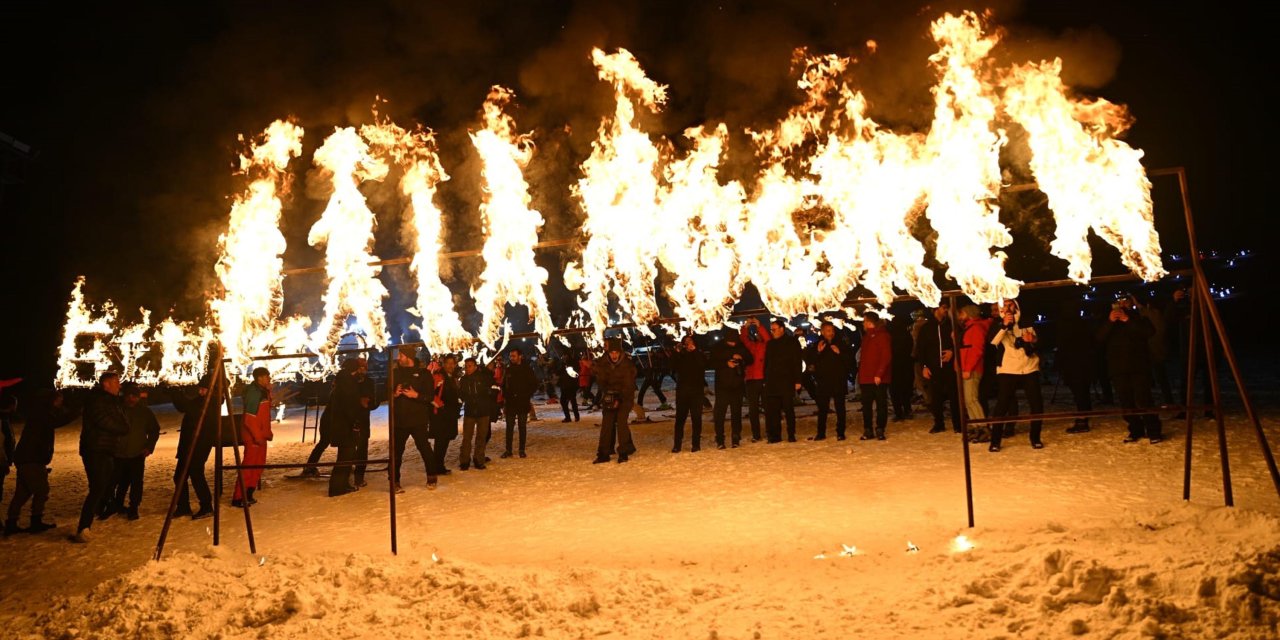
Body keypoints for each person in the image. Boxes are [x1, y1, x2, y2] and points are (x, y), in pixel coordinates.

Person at [5, 389, 78, 535]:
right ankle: (35, 521)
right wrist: (75, 413)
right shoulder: (43, 414)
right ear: (52, 400)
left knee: (23, 492)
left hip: (27, 457)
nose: (61, 403)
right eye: (59, 400)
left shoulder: (41, 411)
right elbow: (55, 422)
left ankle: (12, 523)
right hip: (31, 458)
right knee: (41, 490)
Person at [73, 371, 130, 543]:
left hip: (106, 449)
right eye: (116, 382)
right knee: (97, 487)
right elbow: (105, 421)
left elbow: (123, 422)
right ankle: (84, 527)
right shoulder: (97, 400)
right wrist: (122, 427)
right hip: (95, 449)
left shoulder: (112, 401)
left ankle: (103, 509)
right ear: (106, 384)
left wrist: (123, 425)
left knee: (104, 485)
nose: (119, 385)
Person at [1099, 294, 1163, 444]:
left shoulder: (1139, 318)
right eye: (1118, 302)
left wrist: (1127, 320)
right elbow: (1099, 338)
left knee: (1144, 400)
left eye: (1125, 301)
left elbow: (1149, 332)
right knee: (1126, 402)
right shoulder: (1108, 322)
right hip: (1118, 368)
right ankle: (1135, 430)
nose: (1121, 305)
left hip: (1139, 366)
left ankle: (1153, 431)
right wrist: (1109, 322)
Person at [989, 300, 1045, 452]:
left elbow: (1040, 343)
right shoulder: (997, 324)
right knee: (1002, 405)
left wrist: (1032, 340)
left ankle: (1035, 438)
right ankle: (995, 440)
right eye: (1005, 305)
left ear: (1016, 306)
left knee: (1036, 404)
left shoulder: (1027, 322)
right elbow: (993, 342)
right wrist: (1004, 325)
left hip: (1029, 367)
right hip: (1008, 369)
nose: (1008, 308)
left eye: (1011, 304)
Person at [107, 383, 160, 521]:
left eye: (134, 396)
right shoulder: (117, 410)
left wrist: (149, 447)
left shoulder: (144, 412)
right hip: (117, 454)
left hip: (137, 454)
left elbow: (154, 430)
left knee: (136, 482)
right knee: (115, 481)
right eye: (129, 395)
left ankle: (133, 507)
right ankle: (114, 504)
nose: (131, 399)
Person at [169, 378, 218, 519]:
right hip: (189, 443)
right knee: (179, 476)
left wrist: (175, 392)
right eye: (200, 388)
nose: (200, 391)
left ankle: (206, 506)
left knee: (196, 473)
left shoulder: (210, 402)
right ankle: (183, 506)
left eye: (204, 389)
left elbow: (184, 406)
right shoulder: (203, 400)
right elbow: (186, 405)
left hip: (199, 444)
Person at [391, 347, 437, 491]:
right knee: (396, 452)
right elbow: (383, 395)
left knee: (424, 448)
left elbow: (430, 397)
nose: (398, 357)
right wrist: (394, 393)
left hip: (418, 420)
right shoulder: (395, 373)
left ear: (409, 357)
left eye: (401, 355)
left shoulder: (424, 374)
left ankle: (431, 476)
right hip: (399, 420)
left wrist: (415, 395)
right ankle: (394, 481)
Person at [917, 300, 961, 434]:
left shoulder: (951, 325)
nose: (946, 310)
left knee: (954, 396)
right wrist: (924, 366)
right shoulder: (926, 328)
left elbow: (961, 342)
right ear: (936, 309)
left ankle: (958, 424)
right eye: (943, 308)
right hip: (933, 367)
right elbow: (921, 349)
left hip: (950, 367)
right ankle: (939, 423)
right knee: (935, 397)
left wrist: (952, 351)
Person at [805, 321, 852, 441]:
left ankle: (840, 432)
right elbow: (810, 362)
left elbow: (849, 361)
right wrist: (818, 352)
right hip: (823, 381)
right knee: (822, 409)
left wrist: (839, 353)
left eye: (832, 330)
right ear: (822, 332)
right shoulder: (817, 345)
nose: (830, 333)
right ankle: (821, 432)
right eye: (828, 331)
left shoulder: (841, 344)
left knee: (840, 408)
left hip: (838, 380)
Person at [593, 338, 638, 463]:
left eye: (616, 353)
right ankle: (603, 453)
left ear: (620, 352)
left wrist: (619, 397)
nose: (614, 355)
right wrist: (608, 394)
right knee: (607, 425)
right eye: (611, 353)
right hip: (609, 397)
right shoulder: (603, 363)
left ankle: (623, 452)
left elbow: (628, 385)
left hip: (625, 398)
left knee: (621, 423)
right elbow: (601, 381)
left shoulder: (627, 365)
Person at [234, 367, 273, 505]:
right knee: (249, 465)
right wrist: (257, 436)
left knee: (258, 465)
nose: (269, 378)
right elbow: (249, 419)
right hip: (254, 436)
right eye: (267, 376)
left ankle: (248, 493)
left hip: (260, 435)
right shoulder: (254, 393)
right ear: (259, 378)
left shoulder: (262, 391)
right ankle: (239, 496)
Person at [326, 360, 365, 496]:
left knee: (346, 456)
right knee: (345, 457)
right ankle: (337, 487)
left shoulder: (343, 381)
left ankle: (343, 484)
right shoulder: (348, 384)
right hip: (345, 427)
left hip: (341, 425)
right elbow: (350, 406)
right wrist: (355, 422)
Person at [1056, 301, 1096, 433]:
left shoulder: (1066, 325)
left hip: (1074, 363)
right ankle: (1085, 416)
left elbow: (1063, 345)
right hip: (1083, 362)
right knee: (1082, 392)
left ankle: (1083, 419)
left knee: (1080, 393)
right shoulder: (1083, 324)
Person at [711, 328, 753, 448]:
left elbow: (750, 359)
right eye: (731, 342)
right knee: (720, 414)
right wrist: (726, 362)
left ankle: (736, 436)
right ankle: (720, 438)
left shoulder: (741, 346)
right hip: (722, 386)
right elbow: (711, 362)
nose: (733, 344)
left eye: (734, 342)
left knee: (736, 413)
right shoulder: (718, 347)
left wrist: (741, 359)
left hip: (737, 385)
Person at [763, 320, 802, 443]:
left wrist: (798, 380)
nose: (772, 332)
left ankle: (791, 434)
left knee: (788, 409)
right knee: (773, 411)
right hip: (772, 381)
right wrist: (766, 378)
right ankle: (775, 435)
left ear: (782, 329)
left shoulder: (792, 342)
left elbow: (797, 362)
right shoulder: (770, 344)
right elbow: (767, 362)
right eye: (771, 330)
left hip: (786, 381)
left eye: (774, 329)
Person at [957, 305, 992, 438]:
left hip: (971, 369)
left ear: (969, 314)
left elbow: (976, 350)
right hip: (967, 368)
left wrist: (968, 368)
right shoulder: (970, 328)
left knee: (971, 399)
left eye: (962, 313)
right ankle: (976, 426)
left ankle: (983, 427)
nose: (960, 316)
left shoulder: (976, 328)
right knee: (968, 400)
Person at [857, 313, 893, 440]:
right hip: (866, 377)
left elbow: (886, 356)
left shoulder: (882, 335)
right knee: (866, 405)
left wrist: (879, 373)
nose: (863, 324)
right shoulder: (867, 336)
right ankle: (868, 429)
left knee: (880, 404)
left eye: (864, 321)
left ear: (869, 322)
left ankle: (880, 428)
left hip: (878, 378)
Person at [670, 334, 707, 452]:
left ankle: (696, 444)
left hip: (696, 391)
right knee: (680, 419)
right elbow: (672, 366)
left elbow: (703, 364)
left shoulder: (699, 353)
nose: (688, 343)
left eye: (690, 341)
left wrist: (695, 351)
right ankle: (677, 445)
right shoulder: (681, 356)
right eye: (686, 341)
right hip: (682, 392)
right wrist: (676, 352)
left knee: (696, 419)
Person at [458, 357, 494, 470]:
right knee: (467, 437)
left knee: (481, 437)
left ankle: (479, 459)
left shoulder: (483, 377)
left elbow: (491, 385)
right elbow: (461, 394)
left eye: (469, 366)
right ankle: (464, 461)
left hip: (483, 411)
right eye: (466, 366)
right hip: (469, 412)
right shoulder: (463, 380)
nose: (467, 368)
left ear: (475, 366)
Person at [501, 349, 538, 459]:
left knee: (522, 427)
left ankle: (522, 450)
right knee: (509, 427)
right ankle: (508, 450)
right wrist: (506, 396)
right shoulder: (508, 370)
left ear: (520, 356)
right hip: (511, 403)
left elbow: (534, 384)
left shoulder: (527, 369)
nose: (512, 358)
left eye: (514, 356)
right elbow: (504, 384)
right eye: (510, 356)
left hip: (522, 402)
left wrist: (527, 395)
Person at [740, 317, 770, 442]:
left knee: (768, 408)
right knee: (753, 410)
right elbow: (743, 339)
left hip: (762, 379)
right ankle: (756, 434)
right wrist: (745, 327)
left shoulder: (766, 346)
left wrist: (759, 325)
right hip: (751, 380)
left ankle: (770, 432)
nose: (758, 335)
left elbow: (769, 339)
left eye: (759, 334)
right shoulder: (751, 346)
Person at [352, 358, 380, 488]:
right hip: (350, 419)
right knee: (349, 448)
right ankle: (345, 473)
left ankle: (359, 477)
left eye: (364, 367)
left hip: (363, 420)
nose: (362, 370)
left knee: (362, 449)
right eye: (360, 367)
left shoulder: (369, 382)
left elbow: (374, 400)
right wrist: (358, 400)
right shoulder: (350, 381)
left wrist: (369, 404)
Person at [430, 355, 461, 475]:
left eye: (452, 363)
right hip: (441, 415)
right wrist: (441, 406)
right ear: (444, 364)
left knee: (444, 440)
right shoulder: (439, 376)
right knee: (441, 441)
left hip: (450, 414)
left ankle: (438, 464)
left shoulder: (452, 377)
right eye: (448, 363)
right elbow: (432, 393)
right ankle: (437, 466)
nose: (450, 366)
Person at [888, 314, 915, 421]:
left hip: (894, 366)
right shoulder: (907, 335)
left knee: (895, 391)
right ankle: (907, 410)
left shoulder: (890, 335)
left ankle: (898, 412)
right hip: (906, 365)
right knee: (905, 390)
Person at [636, 341, 672, 411]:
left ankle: (664, 403)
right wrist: (645, 370)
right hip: (648, 377)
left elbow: (660, 369)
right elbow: (646, 367)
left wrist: (655, 372)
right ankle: (640, 405)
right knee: (647, 391)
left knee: (653, 391)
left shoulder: (659, 359)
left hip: (652, 378)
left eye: (653, 352)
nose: (651, 353)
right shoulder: (651, 358)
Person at [556, 355, 580, 423]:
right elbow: (558, 372)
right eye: (563, 356)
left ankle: (576, 416)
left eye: (565, 355)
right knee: (563, 401)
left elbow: (576, 374)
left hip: (571, 385)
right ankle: (568, 417)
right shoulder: (562, 364)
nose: (564, 357)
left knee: (572, 400)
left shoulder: (573, 363)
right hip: (564, 385)